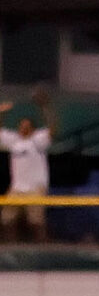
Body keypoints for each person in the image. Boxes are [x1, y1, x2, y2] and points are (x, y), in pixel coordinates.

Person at [0, 95, 55, 243]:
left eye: (26, 125)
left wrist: (45, 108)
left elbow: (52, 130)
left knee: (35, 221)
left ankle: (41, 249)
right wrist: (1, 114)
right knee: (6, 219)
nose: (23, 127)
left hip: (35, 187)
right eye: (21, 125)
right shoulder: (14, 140)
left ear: (32, 128)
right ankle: (11, 249)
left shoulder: (37, 140)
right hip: (17, 187)